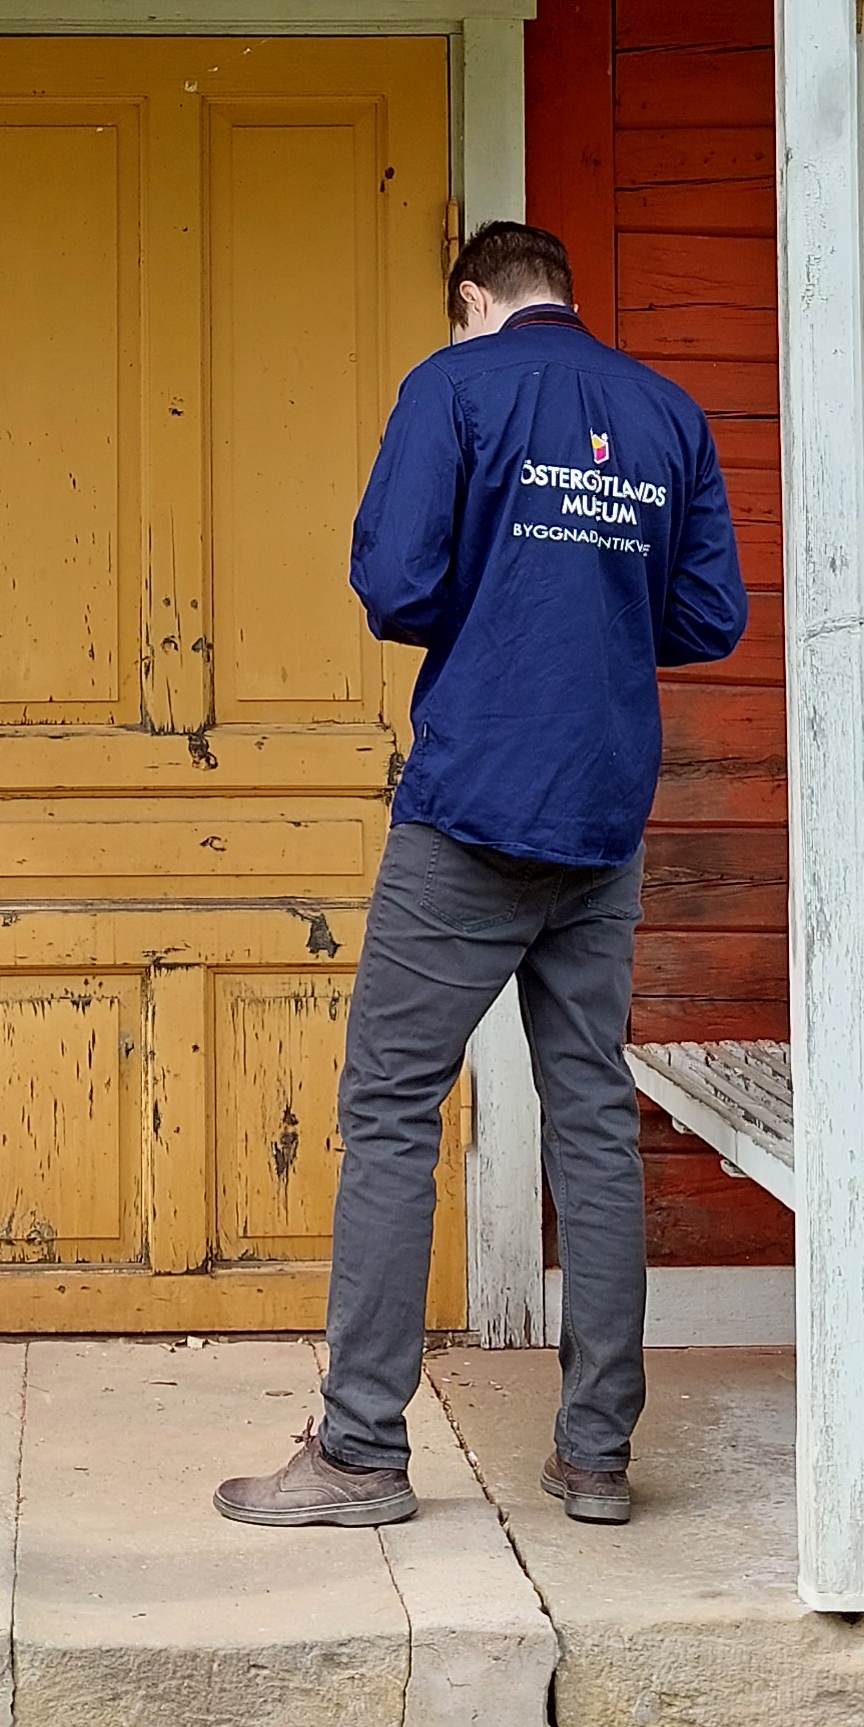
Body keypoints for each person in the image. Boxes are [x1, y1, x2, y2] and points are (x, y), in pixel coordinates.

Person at [215, 218, 747, 1533]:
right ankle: (597, 1458)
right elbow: (708, 616)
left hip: (470, 813)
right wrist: (587, 598)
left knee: (393, 1105)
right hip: (604, 820)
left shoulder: (455, 386)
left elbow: (396, 583)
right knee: (591, 1119)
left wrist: (507, 583)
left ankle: (359, 1458)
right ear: (561, 293)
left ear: (474, 300)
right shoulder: (666, 409)